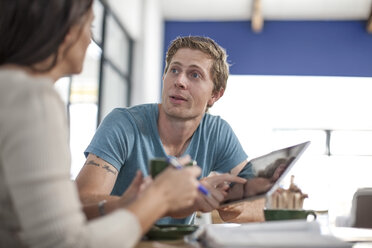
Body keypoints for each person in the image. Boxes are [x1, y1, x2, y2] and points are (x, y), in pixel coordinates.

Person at [0, 1, 202, 247]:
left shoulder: (10, 89)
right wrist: (160, 198)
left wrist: (125, 204)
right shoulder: (33, 98)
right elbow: (66, 243)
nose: (90, 40)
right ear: (67, 32)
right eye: (90, 26)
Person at [76, 36, 251, 225]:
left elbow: (253, 199)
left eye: (194, 75)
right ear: (164, 77)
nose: (179, 81)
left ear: (215, 95)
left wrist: (223, 199)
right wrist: (163, 202)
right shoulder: (123, 123)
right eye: (174, 70)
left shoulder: (216, 132)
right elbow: (81, 201)